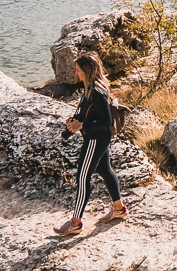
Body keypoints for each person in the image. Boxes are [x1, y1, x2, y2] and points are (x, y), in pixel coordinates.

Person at [55, 53, 127, 236]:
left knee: (82, 177)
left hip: (96, 139)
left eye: (78, 70)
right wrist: (74, 121)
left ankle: (75, 223)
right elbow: (88, 113)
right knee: (104, 169)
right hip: (98, 138)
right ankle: (118, 209)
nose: (76, 73)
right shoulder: (90, 87)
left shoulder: (96, 91)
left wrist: (82, 125)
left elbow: (106, 120)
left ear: (86, 71)